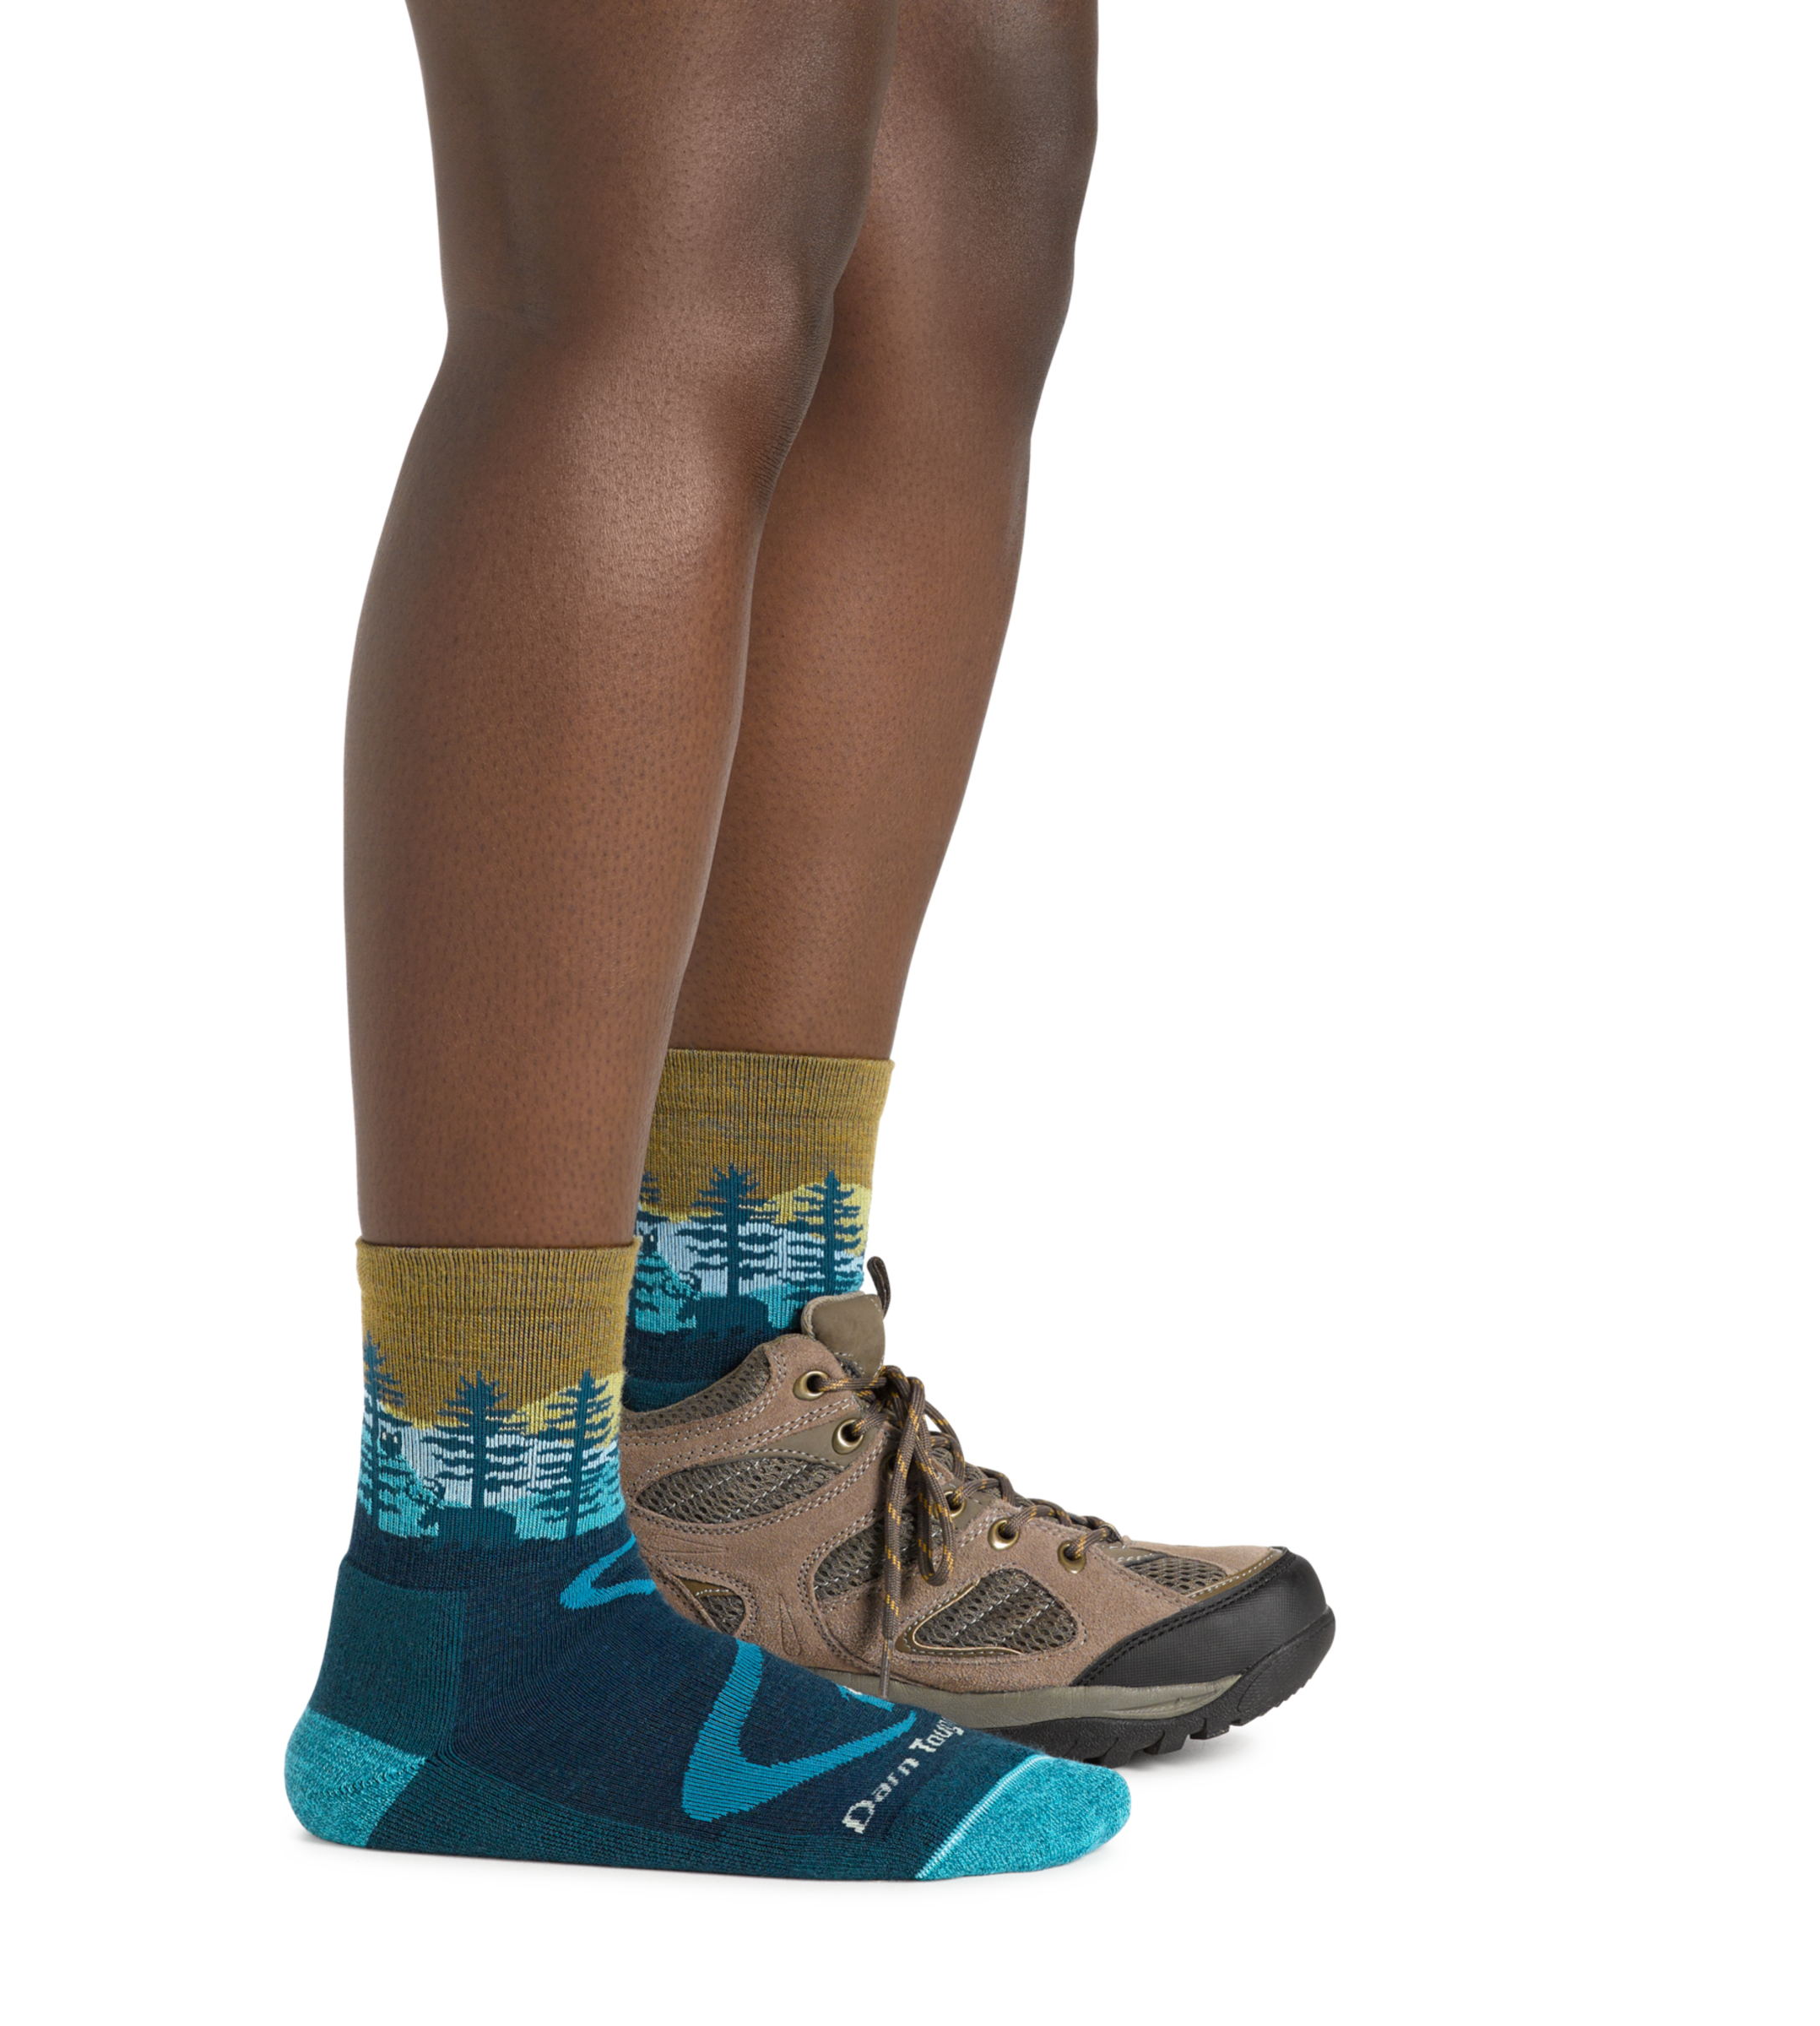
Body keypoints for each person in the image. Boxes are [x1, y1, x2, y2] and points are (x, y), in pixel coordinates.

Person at [282, 0, 1330, 1902]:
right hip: (472, 1614)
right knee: (669, 229)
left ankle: (726, 1434)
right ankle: (478, 1601)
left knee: (962, 181)